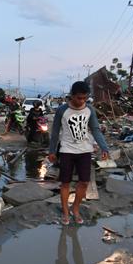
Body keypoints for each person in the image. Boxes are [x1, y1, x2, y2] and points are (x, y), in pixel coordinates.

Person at [48, 81, 109, 225]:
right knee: (65, 183)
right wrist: (51, 151)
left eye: (85, 98)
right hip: (66, 150)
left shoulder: (90, 110)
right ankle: (65, 212)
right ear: (72, 96)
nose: (82, 101)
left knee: (84, 182)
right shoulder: (62, 110)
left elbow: (95, 130)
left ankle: (75, 209)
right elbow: (55, 132)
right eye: (79, 98)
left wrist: (104, 148)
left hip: (85, 151)